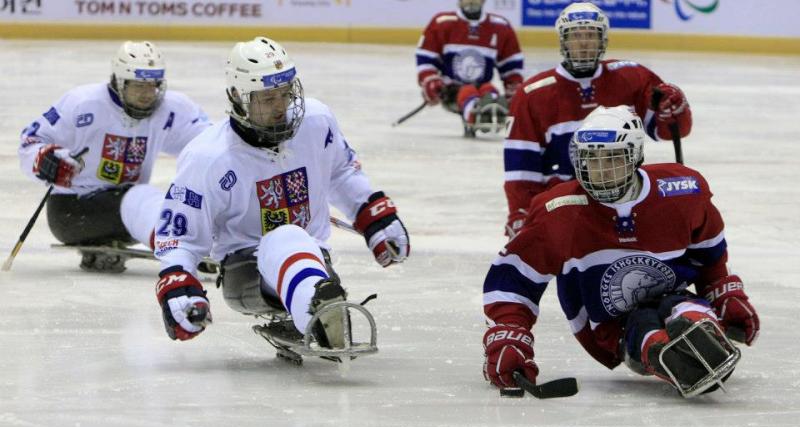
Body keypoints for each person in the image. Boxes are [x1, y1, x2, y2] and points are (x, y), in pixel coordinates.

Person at [151, 37, 410, 359]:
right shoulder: (207, 157)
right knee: (287, 236)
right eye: (268, 97)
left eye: (286, 94)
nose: (281, 106)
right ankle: (316, 306)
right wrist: (177, 283)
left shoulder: (317, 122)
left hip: (315, 261)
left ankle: (317, 301)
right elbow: (179, 235)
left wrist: (374, 217)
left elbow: (341, 171)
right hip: (246, 272)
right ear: (236, 96)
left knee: (298, 245)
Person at [482, 106, 759, 397]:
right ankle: (656, 349)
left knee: (688, 316)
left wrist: (724, 293)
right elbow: (514, 281)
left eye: (613, 158)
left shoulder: (681, 191)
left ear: (636, 155)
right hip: (612, 325)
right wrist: (509, 335)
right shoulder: (558, 212)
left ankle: (699, 325)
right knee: (645, 328)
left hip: (677, 296)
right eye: (591, 159)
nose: (600, 171)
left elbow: (709, 255)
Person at [17, 40, 211, 272]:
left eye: (153, 85)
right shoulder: (82, 103)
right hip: (71, 212)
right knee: (142, 195)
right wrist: (46, 160)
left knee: (186, 193)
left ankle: (191, 240)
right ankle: (179, 248)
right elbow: (30, 140)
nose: (148, 94)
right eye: (139, 85)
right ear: (120, 81)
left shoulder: (170, 109)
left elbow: (209, 145)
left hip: (126, 214)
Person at [503, 2, 692, 237]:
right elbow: (521, 167)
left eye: (591, 35)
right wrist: (521, 212)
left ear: (604, 40)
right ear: (563, 41)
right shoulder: (532, 95)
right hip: (563, 206)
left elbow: (669, 130)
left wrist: (676, 109)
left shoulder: (632, 77)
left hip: (624, 201)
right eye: (575, 35)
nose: (583, 43)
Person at [415, 0, 523, 136]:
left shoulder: (500, 26)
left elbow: (511, 63)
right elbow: (426, 56)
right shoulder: (442, 22)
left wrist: (513, 86)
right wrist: (430, 79)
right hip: (450, 89)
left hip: (483, 85)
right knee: (468, 91)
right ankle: (475, 112)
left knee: (489, 90)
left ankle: (493, 107)